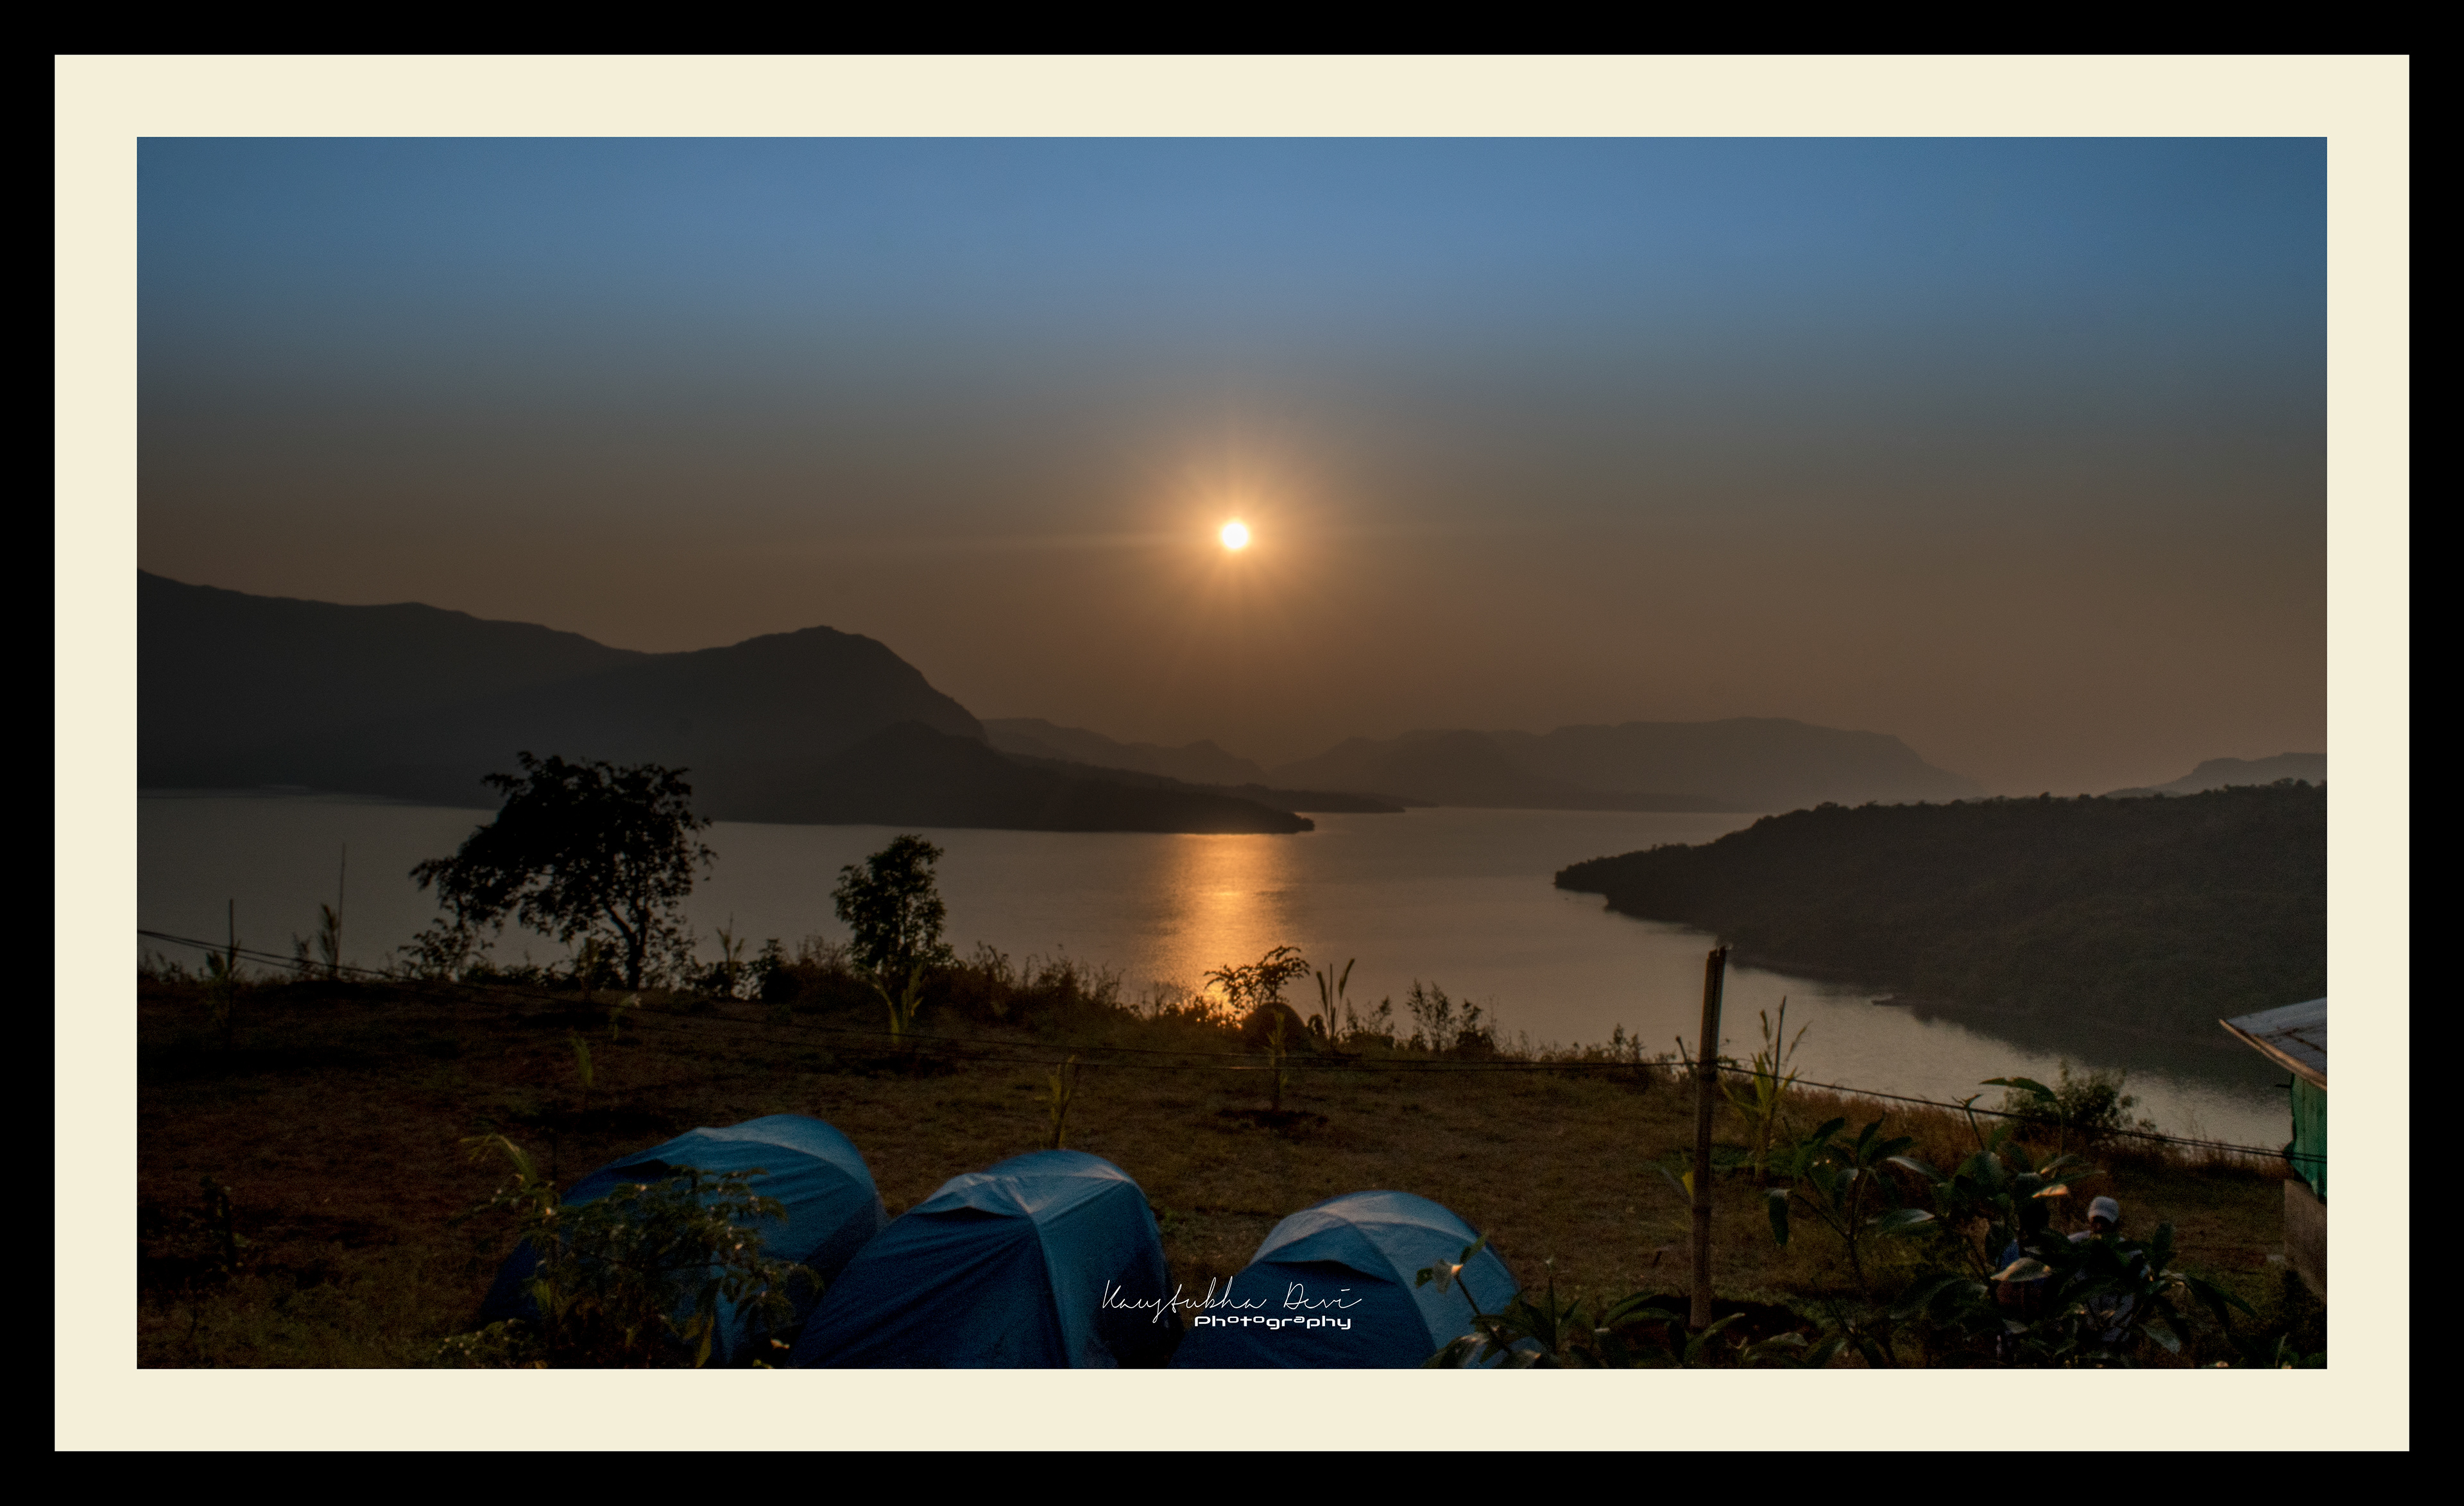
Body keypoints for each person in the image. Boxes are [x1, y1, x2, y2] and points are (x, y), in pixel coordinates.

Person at [2071, 1196, 2135, 1344]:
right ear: (2089, 1220)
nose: (2099, 1227)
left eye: (2105, 1222)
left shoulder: (2129, 1253)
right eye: (2096, 1220)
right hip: (2082, 1330)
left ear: (2115, 1224)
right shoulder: (2075, 1244)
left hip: (2114, 1334)